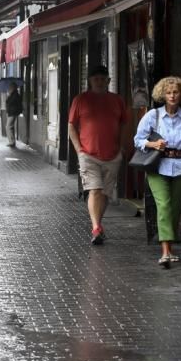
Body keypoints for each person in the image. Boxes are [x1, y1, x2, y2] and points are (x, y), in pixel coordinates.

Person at [134, 76, 181, 268]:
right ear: (162, 95)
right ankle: (165, 252)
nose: (172, 96)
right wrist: (153, 143)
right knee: (164, 205)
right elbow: (138, 140)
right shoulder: (152, 116)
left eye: (175, 92)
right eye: (168, 92)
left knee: (174, 209)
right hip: (158, 167)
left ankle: (170, 246)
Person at [68, 64, 128, 245]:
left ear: (108, 81)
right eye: (96, 79)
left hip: (113, 154)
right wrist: (79, 149)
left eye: (103, 79)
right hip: (88, 154)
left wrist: (122, 147)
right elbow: (71, 125)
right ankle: (95, 228)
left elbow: (125, 123)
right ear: (90, 81)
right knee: (94, 189)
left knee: (106, 193)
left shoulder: (117, 100)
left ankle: (98, 225)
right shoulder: (80, 100)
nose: (100, 82)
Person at [5, 81, 22, 147]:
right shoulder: (13, 94)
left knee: (8, 127)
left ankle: (11, 142)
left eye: (10, 87)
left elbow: (10, 102)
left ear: (13, 88)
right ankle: (12, 141)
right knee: (11, 127)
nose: (9, 88)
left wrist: (9, 96)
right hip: (11, 112)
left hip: (13, 113)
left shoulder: (15, 95)